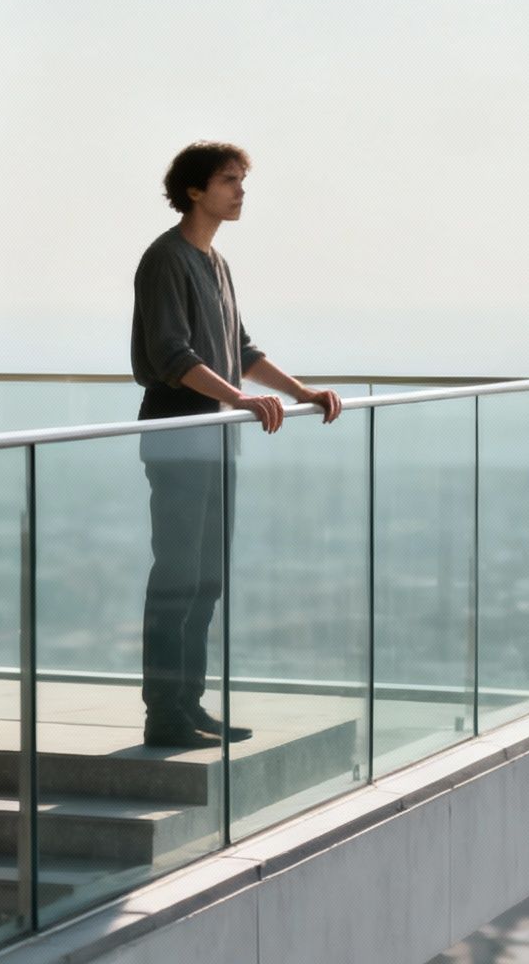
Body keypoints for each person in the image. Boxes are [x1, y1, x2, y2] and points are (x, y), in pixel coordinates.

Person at [130, 141, 343, 749]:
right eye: (229, 180)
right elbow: (174, 357)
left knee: (206, 578)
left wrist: (301, 391)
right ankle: (163, 714)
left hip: (215, 434)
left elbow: (241, 349)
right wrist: (241, 400)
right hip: (177, 429)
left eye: (241, 180)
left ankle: (188, 704)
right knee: (176, 575)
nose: (240, 191)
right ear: (194, 190)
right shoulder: (165, 259)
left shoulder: (216, 263)